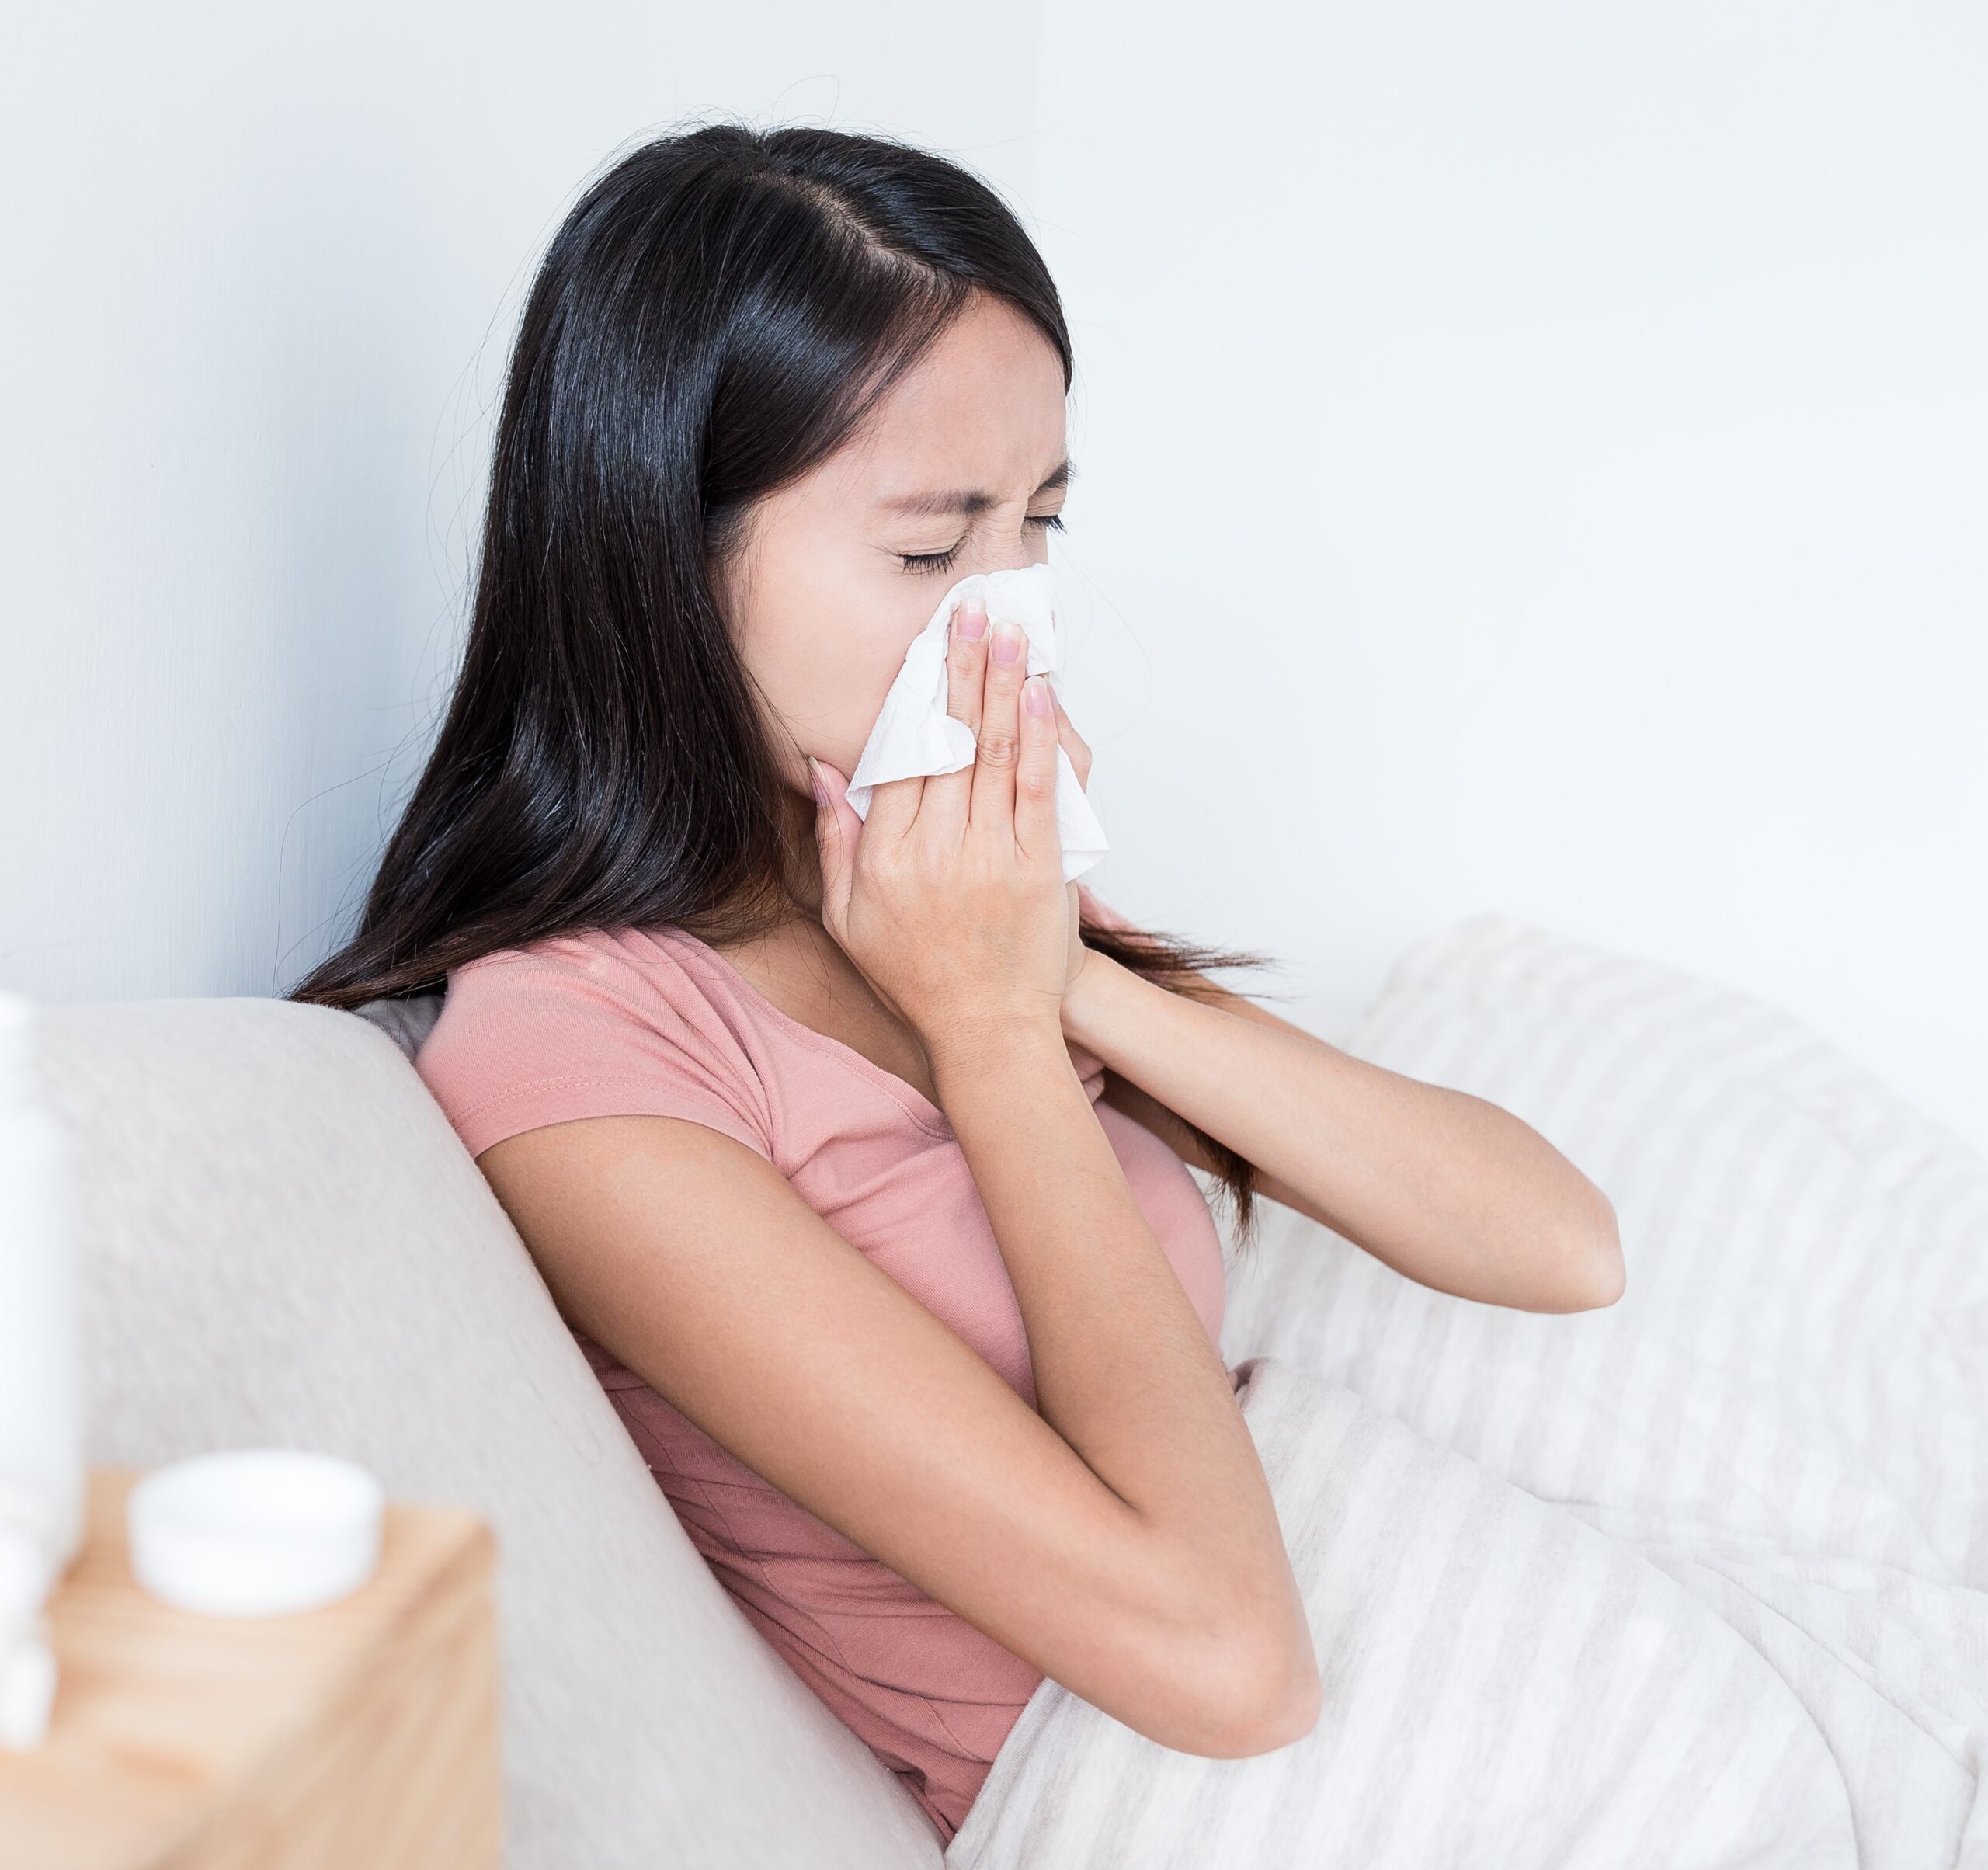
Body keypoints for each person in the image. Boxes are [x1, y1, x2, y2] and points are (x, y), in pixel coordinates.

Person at [287, 121, 1623, 1847]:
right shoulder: (577, 1054)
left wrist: (1060, 980)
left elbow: (1557, 1246)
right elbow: (1227, 1668)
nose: (1010, 629)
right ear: (660, 557)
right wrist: (994, 1034)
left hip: (1467, 1676)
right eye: (929, 551)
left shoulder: (946, 906)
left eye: (1040, 525)